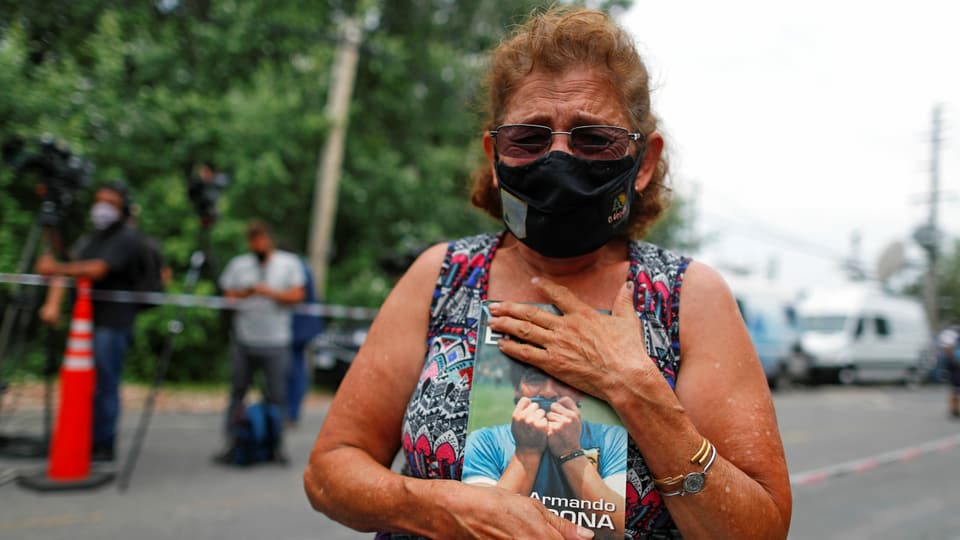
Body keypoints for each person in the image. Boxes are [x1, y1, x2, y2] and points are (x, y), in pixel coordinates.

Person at [304, 7, 792, 539]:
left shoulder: (688, 297)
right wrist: (445, 507)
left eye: (593, 138)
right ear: (496, 156)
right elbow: (330, 472)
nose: (559, 158)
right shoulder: (441, 277)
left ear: (643, 161)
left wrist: (635, 389)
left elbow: (759, 529)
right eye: (529, 138)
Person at [35, 180, 148, 462]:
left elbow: (97, 269)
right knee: (84, 383)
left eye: (110, 202)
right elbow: (70, 264)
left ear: (122, 206)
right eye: (100, 200)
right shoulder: (91, 238)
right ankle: (81, 435)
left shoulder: (126, 237)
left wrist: (57, 268)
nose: (102, 208)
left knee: (105, 382)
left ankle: (102, 443)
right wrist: (52, 303)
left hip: (113, 321)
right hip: (85, 322)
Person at [463, 363, 627, 537]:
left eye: (563, 379)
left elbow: (618, 531)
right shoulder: (485, 442)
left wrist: (570, 451)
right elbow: (480, 530)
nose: (549, 393)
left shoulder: (612, 438)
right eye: (535, 379)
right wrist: (527, 452)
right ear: (517, 389)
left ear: (580, 391)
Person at [217, 220, 305, 460]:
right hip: (244, 339)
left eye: (261, 239)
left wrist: (271, 293)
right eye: (253, 240)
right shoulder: (239, 265)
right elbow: (227, 294)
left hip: (276, 341)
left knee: (277, 395)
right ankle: (232, 442)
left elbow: (298, 295)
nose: (258, 244)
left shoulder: (288, 263)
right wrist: (247, 292)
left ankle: (275, 445)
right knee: (237, 392)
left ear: (269, 239)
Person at [287, 256, 323, 426]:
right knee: (296, 369)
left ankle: (291, 412)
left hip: (297, 328)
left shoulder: (295, 266)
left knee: (294, 371)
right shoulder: (303, 265)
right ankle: (291, 411)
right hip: (302, 327)